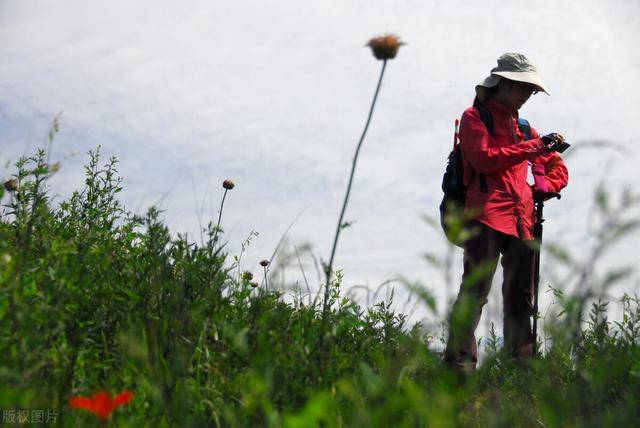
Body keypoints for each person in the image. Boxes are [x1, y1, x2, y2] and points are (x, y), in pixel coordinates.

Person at [443, 52, 569, 372]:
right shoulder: (475, 117)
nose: (527, 95)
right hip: (484, 216)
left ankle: (521, 374)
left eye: (531, 90)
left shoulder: (525, 128)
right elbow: (485, 158)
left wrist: (545, 185)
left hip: (523, 220)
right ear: (501, 84)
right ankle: (459, 371)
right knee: (475, 291)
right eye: (522, 88)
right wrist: (536, 147)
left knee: (520, 299)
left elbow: (555, 165)